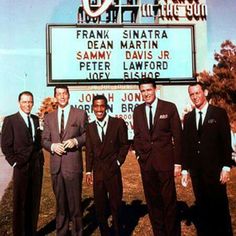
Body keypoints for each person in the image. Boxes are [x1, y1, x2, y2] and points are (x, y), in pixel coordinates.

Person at [182, 82, 232, 235]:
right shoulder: (188, 118)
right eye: (192, 94)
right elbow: (187, 146)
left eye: (197, 93)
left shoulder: (218, 113)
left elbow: (225, 141)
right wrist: (185, 170)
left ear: (205, 92)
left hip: (216, 172)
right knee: (203, 210)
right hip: (197, 173)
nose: (195, 97)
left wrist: (226, 167)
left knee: (220, 209)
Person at [133, 78, 182, 236]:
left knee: (169, 202)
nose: (146, 93)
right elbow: (137, 137)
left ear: (155, 89)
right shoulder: (138, 111)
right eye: (143, 91)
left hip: (165, 163)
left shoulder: (169, 107)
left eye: (148, 90)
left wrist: (178, 163)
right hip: (147, 165)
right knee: (153, 203)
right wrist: (140, 157)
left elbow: (178, 137)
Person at [41, 85, 88, 236]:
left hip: (73, 166)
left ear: (69, 95)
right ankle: (61, 233)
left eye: (64, 94)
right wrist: (52, 146)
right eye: (59, 94)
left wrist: (76, 141)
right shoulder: (49, 117)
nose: (62, 96)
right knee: (60, 206)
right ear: (55, 96)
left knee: (75, 206)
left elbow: (87, 135)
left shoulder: (80, 114)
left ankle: (77, 232)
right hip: (56, 168)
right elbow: (44, 140)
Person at [1, 91, 44, 236]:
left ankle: (31, 231)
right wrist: (14, 162)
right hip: (20, 167)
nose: (27, 104)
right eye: (24, 102)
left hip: (36, 167)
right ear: (19, 103)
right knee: (20, 203)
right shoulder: (10, 120)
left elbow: (37, 142)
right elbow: (6, 146)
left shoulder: (36, 119)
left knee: (34, 202)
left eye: (30, 102)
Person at [85, 95, 129, 236]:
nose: (99, 109)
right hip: (98, 172)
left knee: (115, 204)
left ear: (106, 107)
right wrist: (88, 171)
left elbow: (124, 145)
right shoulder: (90, 127)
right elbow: (89, 151)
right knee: (100, 206)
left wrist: (118, 162)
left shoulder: (118, 123)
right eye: (96, 106)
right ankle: (104, 231)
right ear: (92, 108)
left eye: (102, 106)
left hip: (113, 171)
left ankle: (117, 230)